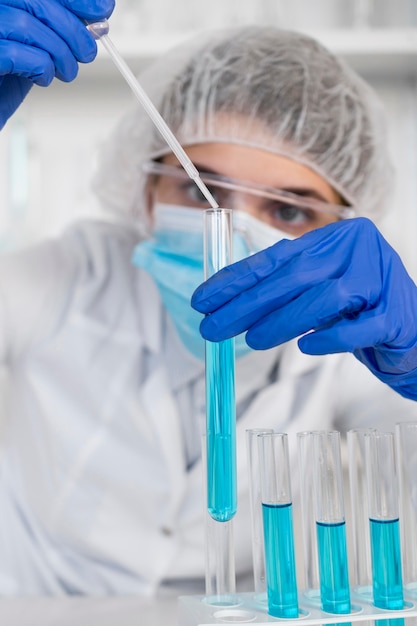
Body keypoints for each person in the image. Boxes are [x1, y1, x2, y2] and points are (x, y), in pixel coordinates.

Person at [1, 0, 417, 596]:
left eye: (290, 209)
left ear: (343, 228)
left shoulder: (349, 341)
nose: (235, 237)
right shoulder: (68, 275)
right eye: (204, 192)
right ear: (144, 192)